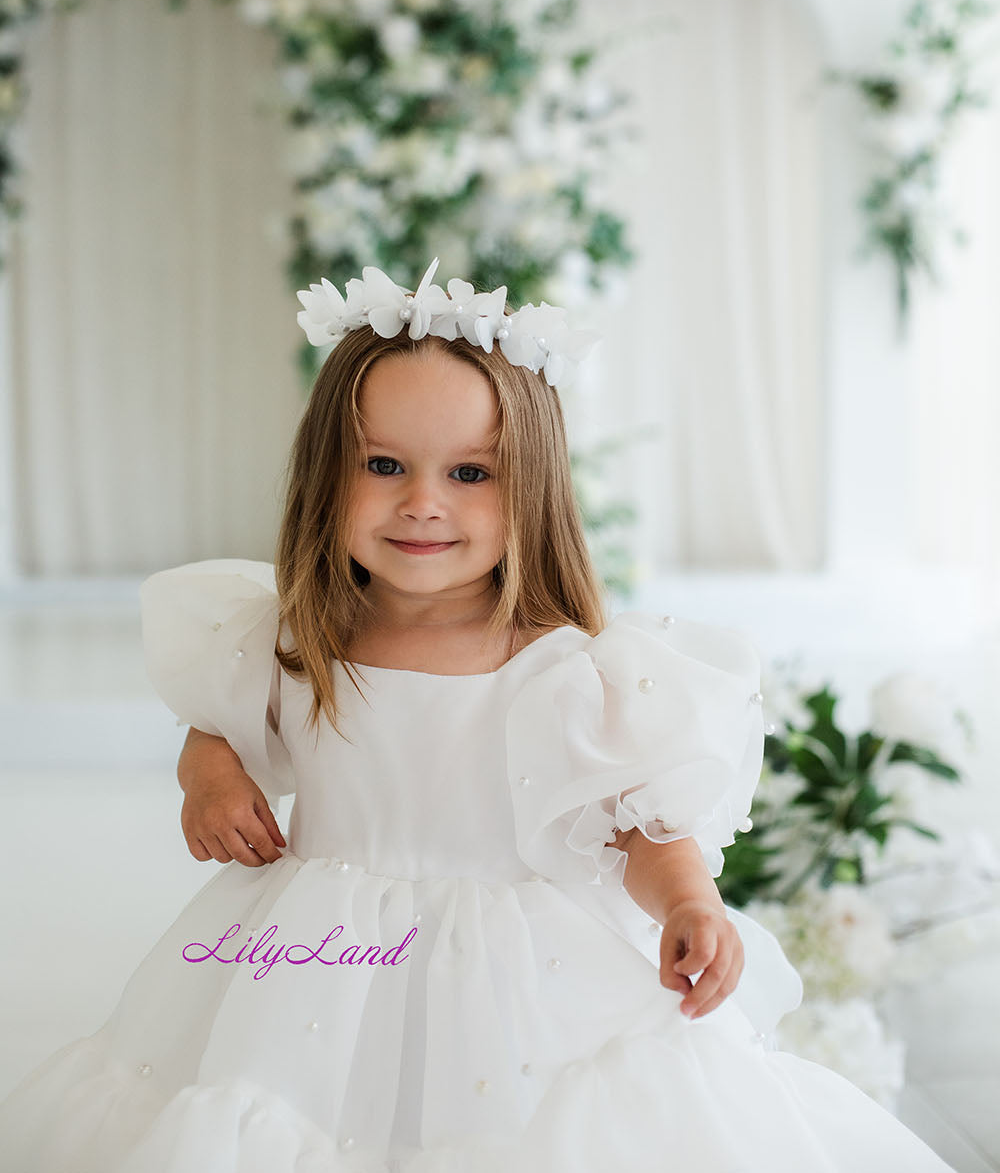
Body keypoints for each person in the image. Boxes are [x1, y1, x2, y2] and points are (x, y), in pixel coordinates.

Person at [0, 257, 958, 1173]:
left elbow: (636, 821)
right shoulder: (298, 639)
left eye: (470, 473)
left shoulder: (567, 667)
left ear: (531, 489)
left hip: (520, 979)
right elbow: (217, 721)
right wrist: (210, 776)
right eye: (383, 463)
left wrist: (689, 901)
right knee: (290, 1118)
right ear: (325, 473)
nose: (423, 503)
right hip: (313, 970)